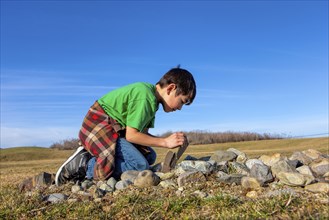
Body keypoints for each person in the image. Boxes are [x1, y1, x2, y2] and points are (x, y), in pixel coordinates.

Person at [55, 67, 196, 186]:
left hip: (115, 130)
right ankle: (85, 164)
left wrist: (168, 141)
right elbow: (132, 135)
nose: (180, 108)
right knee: (140, 166)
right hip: (99, 124)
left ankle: (99, 159)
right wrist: (165, 142)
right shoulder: (145, 95)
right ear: (171, 88)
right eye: (182, 102)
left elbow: (141, 137)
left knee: (149, 155)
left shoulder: (152, 103)